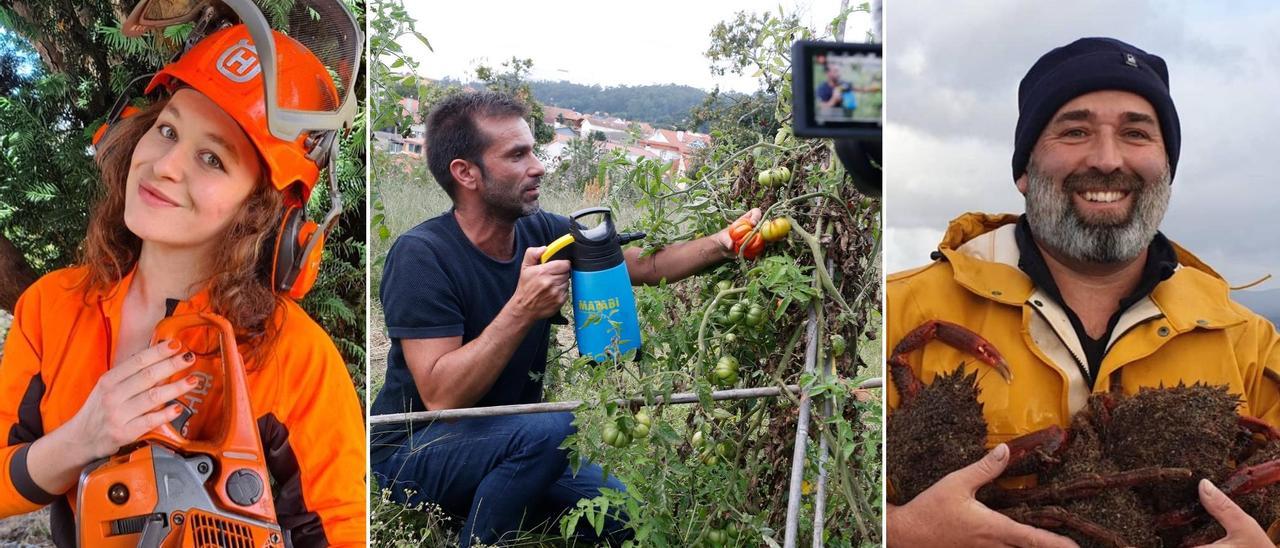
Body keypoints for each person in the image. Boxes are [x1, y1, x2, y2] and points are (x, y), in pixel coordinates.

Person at [886, 37, 1280, 547]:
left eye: (1136, 133)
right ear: (1025, 170)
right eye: (1075, 130)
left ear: (1167, 168)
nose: (1108, 159)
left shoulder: (1248, 344)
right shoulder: (897, 310)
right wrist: (898, 533)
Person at [0, 24, 365, 546]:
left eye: (212, 158)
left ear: (264, 214)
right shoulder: (53, 306)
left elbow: (342, 530)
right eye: (168, 131)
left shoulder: (295, 359)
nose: (164, 166)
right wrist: (81, 439)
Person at [370, 90, 761, 547]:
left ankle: (490, 502)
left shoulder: (541, 233)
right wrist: (522, 309)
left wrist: (726, 241)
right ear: (466, 173)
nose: (538, 165)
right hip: (414, 450)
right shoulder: (422, 257)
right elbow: (441, 396)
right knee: (556, 427)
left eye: (533, 150)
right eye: (517, 155)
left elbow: (645, 265)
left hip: (514, 444)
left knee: (625, 520)